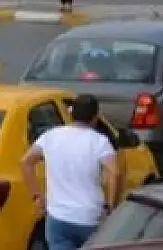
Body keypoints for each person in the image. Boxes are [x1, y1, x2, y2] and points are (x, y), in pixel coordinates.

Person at [20, 94, 118, 250]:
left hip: (58, 217)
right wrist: (109, 204)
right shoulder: (100, 141)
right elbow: (113, 172)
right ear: (95, 117)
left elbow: (26, 162)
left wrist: (37, 195)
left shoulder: (51, 136)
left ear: (71, 113)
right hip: (90, 217)